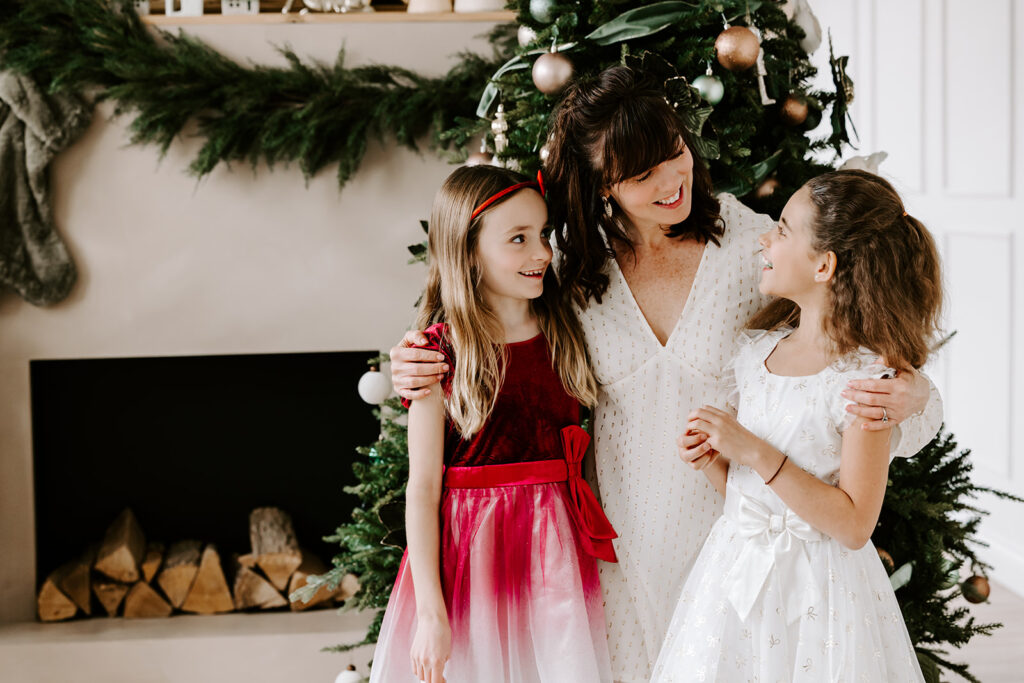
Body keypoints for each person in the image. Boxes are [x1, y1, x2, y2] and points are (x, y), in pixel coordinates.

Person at [391, 66, 943, 683]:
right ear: (603, 186)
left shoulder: (754, 248)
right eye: (640, 174)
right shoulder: (568, 262)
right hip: (613, 552)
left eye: (674, 153)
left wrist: (916, 392)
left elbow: (849, 343)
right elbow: (490, 322)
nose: (670, 180)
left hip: (738, 549)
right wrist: (417, 358)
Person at [651, 170, 937, 682]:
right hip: (737, 576)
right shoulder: (756, 353)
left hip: (820, 593)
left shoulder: (864, 382)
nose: (765, 237)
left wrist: (753, 450)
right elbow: (750, 496)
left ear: (824, 264)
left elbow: (853, 525)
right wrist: (716, 462)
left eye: (782, 229)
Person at [369, 165, 617, 683]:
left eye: (543, 234)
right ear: (469, 251)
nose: (542, 253)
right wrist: (433, 615)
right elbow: (423, 489)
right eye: (518, 239)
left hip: (557, 557)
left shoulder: (566, 329)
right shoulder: (438, 353)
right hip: (474, 556)